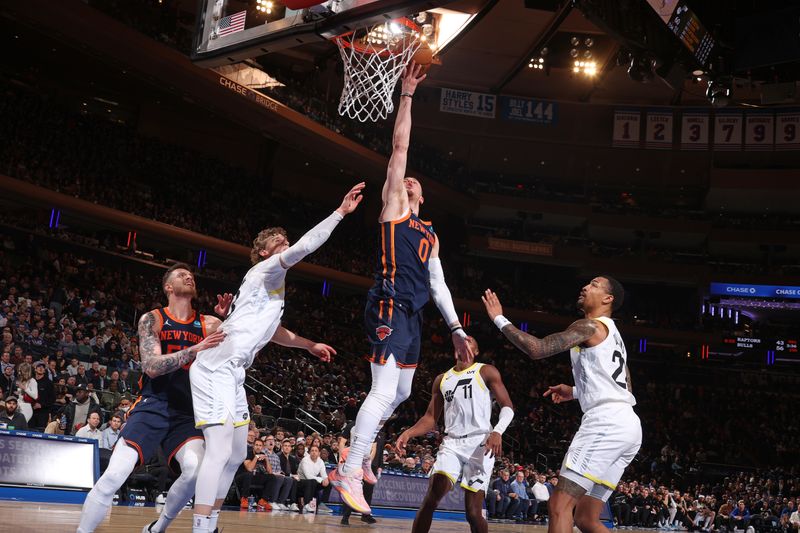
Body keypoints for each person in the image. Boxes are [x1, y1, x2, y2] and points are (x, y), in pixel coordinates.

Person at [330, 63, 473, 516]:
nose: (409, 181)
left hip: (413, 315)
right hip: (388, 303)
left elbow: (439, 283)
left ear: (424, 196)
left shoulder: (430, 233)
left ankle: (362, 449)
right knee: (383, 388)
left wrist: (454, 327)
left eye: (415, 183)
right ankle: (350, 468)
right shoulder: (394, 210)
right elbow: (400, 146)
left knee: (405, 392)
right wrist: (407, 95)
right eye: (406, 179)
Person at [189, 183, 364, 533]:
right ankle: (200, 526)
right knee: (220, 452)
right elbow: (304, 247)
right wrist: (339, 213)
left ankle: (211, 521)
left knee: (238, 454)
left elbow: (275, 331)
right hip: (215, 367)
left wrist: (309, 345)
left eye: (286, 240)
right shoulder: (266, 270)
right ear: (264, 252)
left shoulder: (269, 289)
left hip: (234, 372)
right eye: (279, 243)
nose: (286, 244)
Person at [482, 275, 641, 533]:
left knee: (559, 505)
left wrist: (499, 319)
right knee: (587, 519)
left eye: (594, 285)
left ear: (608, 298)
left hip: (606, 423)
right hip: (629, 424)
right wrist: (577, 391)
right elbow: (624, 386)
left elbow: (538, 349)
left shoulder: (589, 326)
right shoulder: (615, 335)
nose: (585, 287)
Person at [77, 263, 227, 533]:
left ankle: (158, 528)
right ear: (168, 287)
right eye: (181, 275)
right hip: (153, 403)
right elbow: (152, 366)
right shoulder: (153, 319)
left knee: (195, 470)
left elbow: (243, 349)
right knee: (114, 475)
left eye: (191, 275)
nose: (189, 277)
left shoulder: (210, 323)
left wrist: (228, 322)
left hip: (188, 411)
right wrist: (195, 349)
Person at [396, 337, 514, 533]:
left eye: (469, 342)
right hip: (452, 442)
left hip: (481, 443)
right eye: (460, 342)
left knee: (473, 513)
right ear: (454, 350)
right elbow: (431, 417)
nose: (464, 344)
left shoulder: (486, 371)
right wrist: (408, 433)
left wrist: (497, 431)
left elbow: (508, 407)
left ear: (476, 351)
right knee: (433, 495)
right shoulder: (442, 379)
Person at [297, 444, 330, 513]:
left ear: (319, 453)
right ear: (309, 453)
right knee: (312, 481)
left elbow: (324, 474)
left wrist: (326, 479)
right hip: (301, 482)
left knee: (329, 484)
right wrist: (321, 480)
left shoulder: (320, 461)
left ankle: (322, 503)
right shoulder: (305, 460)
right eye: (312, 451)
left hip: (313, 482)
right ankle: (307, 504)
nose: (314, 452)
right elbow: (308, 476)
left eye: (316, 451)